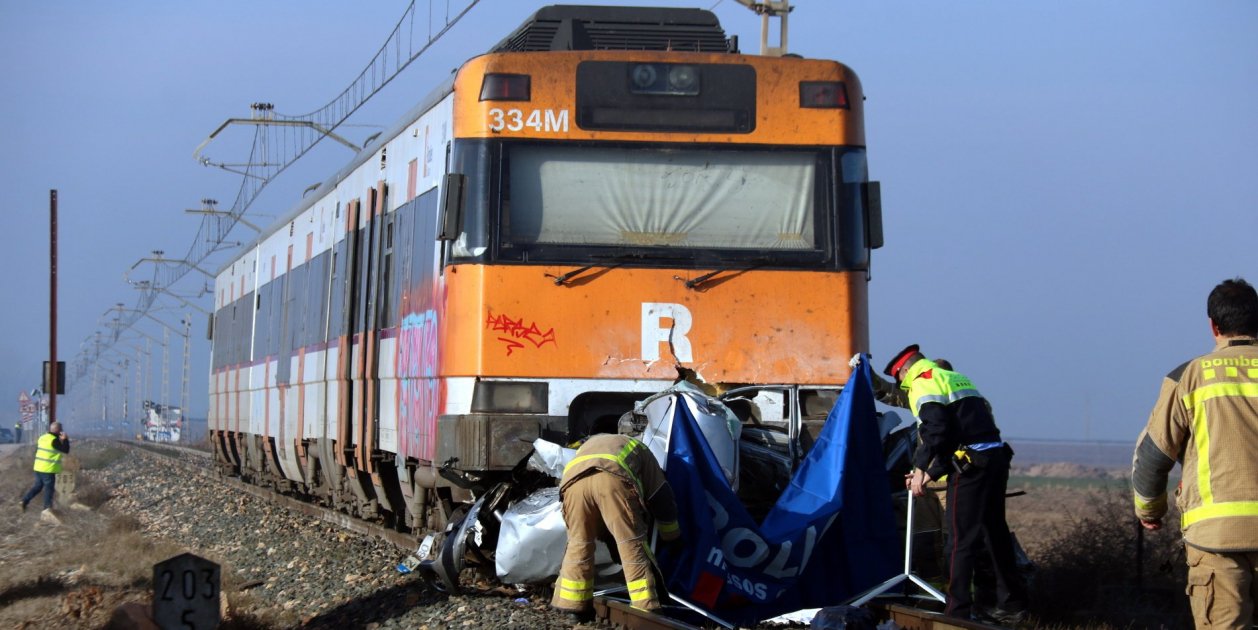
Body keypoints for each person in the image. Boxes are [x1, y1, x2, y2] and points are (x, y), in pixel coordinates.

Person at [1132, 277, 1258, 629]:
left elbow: (1153, 458)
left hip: (1216, 538)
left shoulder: (1188, 376)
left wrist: (1150, 511)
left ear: (1213, 325)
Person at [884, 344, 1028, 623]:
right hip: (994, 460)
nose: (901, 387)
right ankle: (1012, 606)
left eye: (899, 381)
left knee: (960, 541)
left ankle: (956, 614)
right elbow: (957, 435)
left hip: (971, 468)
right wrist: (930, 474)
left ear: (904, 371)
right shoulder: (952, 377)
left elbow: (936, 431)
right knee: (993, 534)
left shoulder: (922, 383)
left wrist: (919, 468)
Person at [552, 433, 680, 619]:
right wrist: (672, 535)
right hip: (612, 481)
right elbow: (660, 497)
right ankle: (646, 608)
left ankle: (573, 607)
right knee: (631, 544)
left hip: (572, 485)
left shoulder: (592, 444)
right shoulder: (642, 450)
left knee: (578, 544)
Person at [21, 421, 70, 512]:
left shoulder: (42, 438)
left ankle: (25, 500)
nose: (62, 431)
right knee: (49, 489)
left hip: (38, 468)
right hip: (48, 469)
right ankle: (47, 510)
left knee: (38, 486)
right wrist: (65, 439)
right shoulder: (54, 440)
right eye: (61, 429)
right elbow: (65, 450)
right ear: (58, 430)